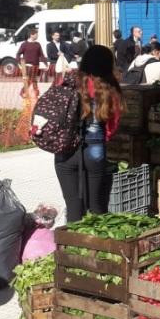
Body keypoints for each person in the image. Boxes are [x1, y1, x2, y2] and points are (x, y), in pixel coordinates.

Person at [54, 46, 122, 222]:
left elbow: (54, 111)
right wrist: (100, 138)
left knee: (73, 206)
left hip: (66, 149)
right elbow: (112, 126)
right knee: (98, 206)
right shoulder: (109, 87)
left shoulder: (69, 81)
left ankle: (72, 244)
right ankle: (96, 244)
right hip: (95, 149)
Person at [16, 27, 45, 98]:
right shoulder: (24, 44)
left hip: (36, 65)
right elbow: (18, 54)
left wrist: (45, 64)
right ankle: (24, 92)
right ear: (32, 35)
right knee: (30, 80)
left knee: (34, 79)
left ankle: (35, 93)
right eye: (36, 34)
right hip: (28, 65)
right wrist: (20, 63)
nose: (37, 36)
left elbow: (41, 54)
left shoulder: (38, 44)